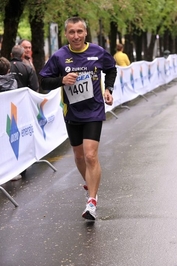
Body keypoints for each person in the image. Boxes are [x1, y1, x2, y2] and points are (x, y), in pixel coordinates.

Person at [39, 17, 117, 221]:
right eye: (72, 32)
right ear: (66, 34)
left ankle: (91, 201)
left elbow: (111, 69)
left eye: (80, 31)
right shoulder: (59, 56)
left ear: (85, 32)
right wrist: (61, 80)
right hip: (72, 112)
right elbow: (44, 81)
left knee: (91, 155)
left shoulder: (98, 52)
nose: (76, 36)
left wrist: (108, 89)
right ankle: (91, 185)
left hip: (94, 110)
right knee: (79, 156)